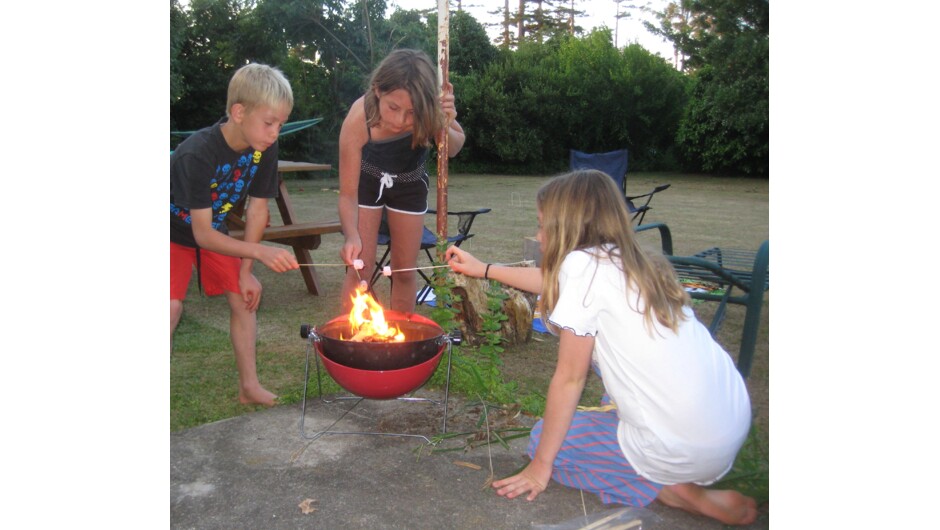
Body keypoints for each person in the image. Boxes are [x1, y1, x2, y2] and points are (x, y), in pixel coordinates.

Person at [444, 170, 758, 526]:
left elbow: (569, 379)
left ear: (569, 230)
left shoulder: (581, 268)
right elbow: (553, 282)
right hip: (728, 425)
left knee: (546, 439)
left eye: (543, 226)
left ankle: (681, 493)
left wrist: (541, 465)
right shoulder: (635, 262)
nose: (538, 236)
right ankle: (669, 466)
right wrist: (484, 269)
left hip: (683, 447)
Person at [170, 63, 300, 407]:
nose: (275, 133)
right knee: (169, 307)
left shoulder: (264, 148)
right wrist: (259, 253)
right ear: (239, 112)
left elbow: (258, 210)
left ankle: (249, 388)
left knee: (244, 298)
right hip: (170, 230)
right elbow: (200, 234)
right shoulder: (197, 153)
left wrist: (245, 270)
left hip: (214, 230)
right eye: (269, 122)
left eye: (281, 125)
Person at [338, 49, 466, 313]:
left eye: (411, 113)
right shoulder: (359, 118)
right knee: (360, 268)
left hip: (410, 183)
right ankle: (349, 342)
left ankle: (401, 343)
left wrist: (444, 120)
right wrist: (351, 236)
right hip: (367, 182)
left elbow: (453, 148)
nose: (400, 120)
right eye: (393, 108)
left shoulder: (429, 110)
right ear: (377, 90)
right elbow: (348, 194)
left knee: (405, 271)